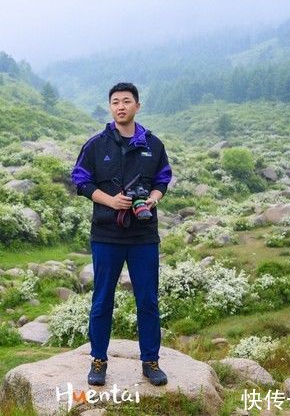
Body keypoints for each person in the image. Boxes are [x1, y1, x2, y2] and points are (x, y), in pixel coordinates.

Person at [70, 82, 172, 387]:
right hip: (106, 234)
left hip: (143, 235)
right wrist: (111, 200)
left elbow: (163, 178)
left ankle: (150, 362)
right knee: (102, 300)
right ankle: (98, 360)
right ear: (110, 107)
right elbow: (80, 180)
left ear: (137, 106)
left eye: (126, 101)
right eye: (115, 102)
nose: (121, 106)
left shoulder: (153, 144)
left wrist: (153, 198)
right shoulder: (96, 145)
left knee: (148, 300)